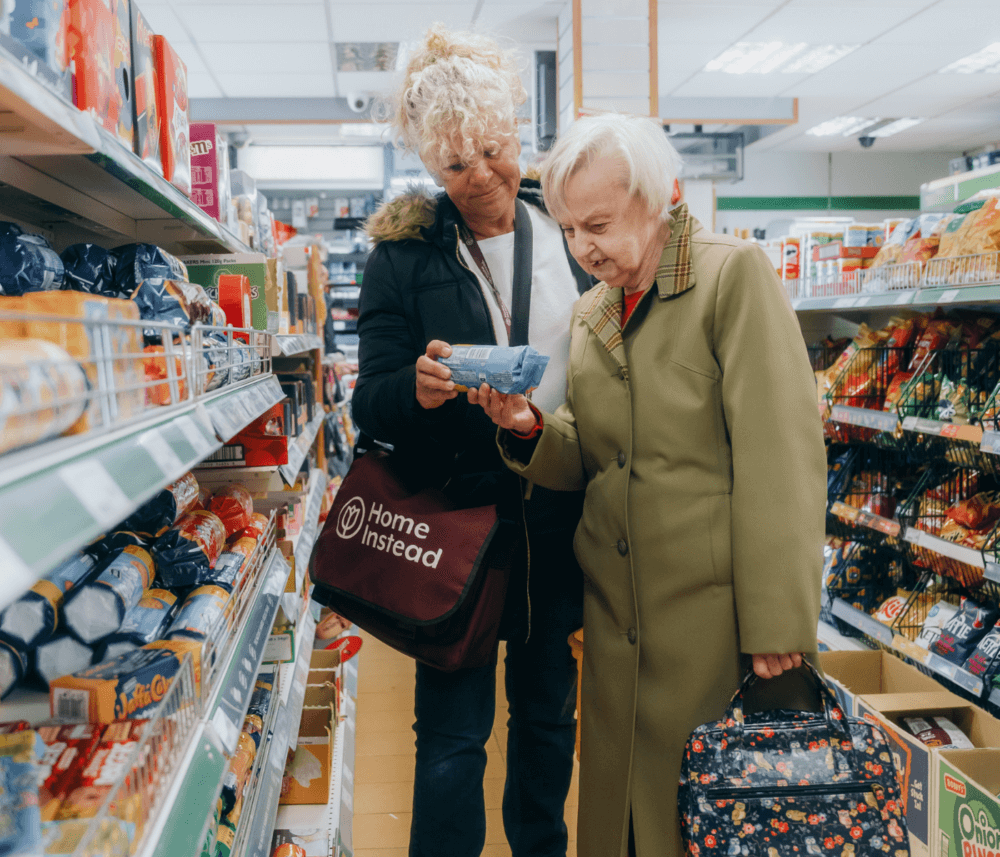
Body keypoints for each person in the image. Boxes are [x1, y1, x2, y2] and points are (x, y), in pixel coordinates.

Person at [469, 113, 827, 857]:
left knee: (717, 822)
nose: (581, 246)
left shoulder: (732, 278)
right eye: (568, 229)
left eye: (596, 223)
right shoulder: (591, 310)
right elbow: (594, 453)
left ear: (660, 194)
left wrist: (778, 626)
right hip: (616, 627)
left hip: (716, 631)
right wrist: (529, 426)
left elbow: (780, 455)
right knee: (626, 825)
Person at [350, 24, 592, 857]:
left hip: (557, 523)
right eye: (457, 165)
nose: (483, 177)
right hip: (453, 530)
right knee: (452, 740)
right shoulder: (402, 259)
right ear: (429, 166)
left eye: (495, 151)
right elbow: (367, 403)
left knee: (548, 721)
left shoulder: (568, 238)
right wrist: (415, 391)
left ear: (518, 132)